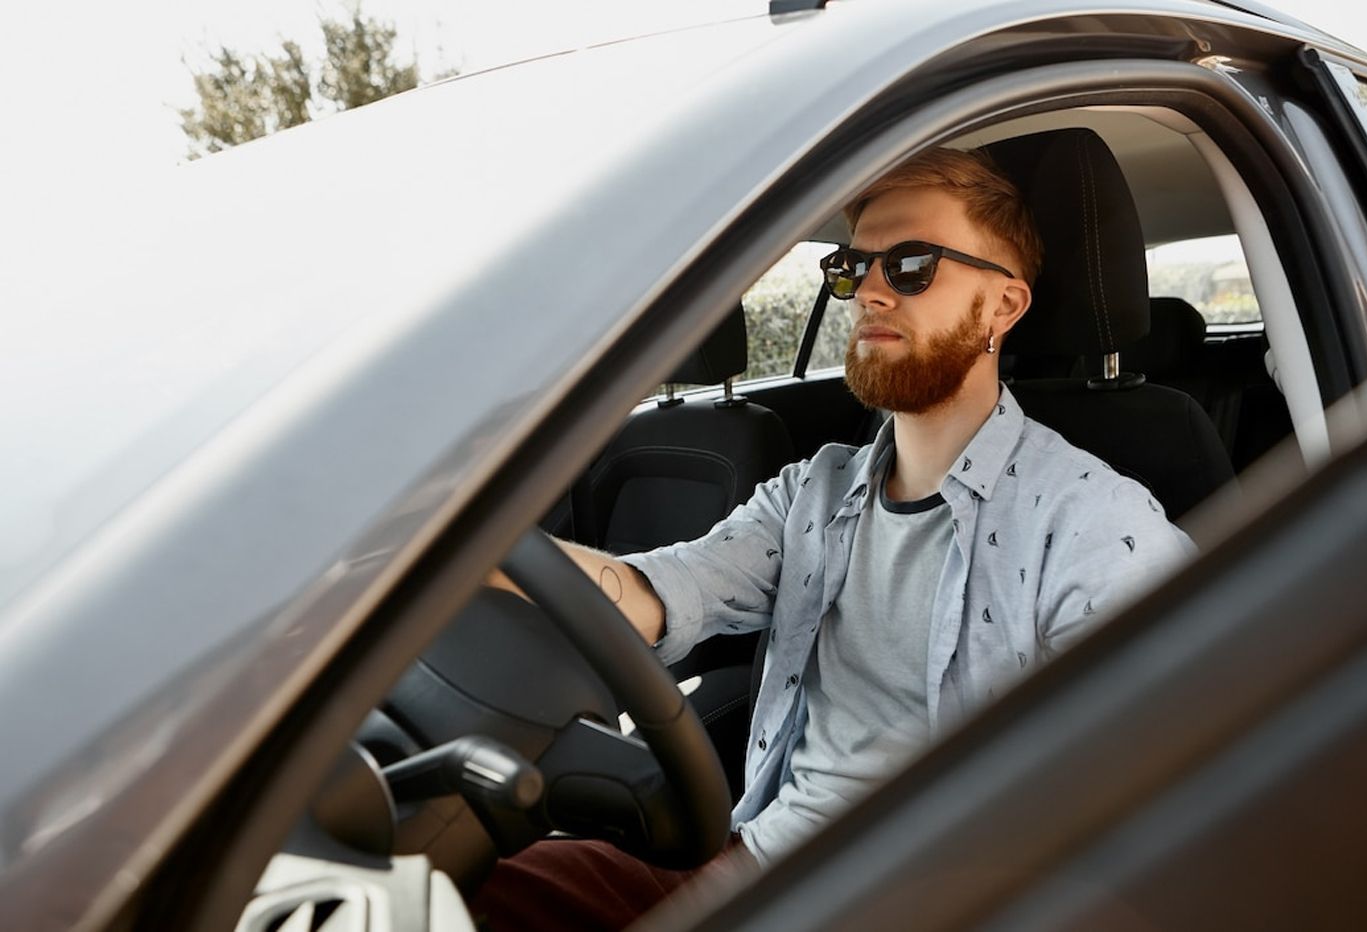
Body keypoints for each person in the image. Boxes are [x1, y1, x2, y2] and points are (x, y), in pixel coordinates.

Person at [472, 146, 1194, 930]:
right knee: (474, 888)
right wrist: (454, 560)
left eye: (912, 264)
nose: (871, 291)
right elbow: (662, 587)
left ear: (1003, 306)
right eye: (853, 268)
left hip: (943, 896)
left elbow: (1176, 771)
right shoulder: (812, 492)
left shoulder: (1093, 524)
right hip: (760, 859)